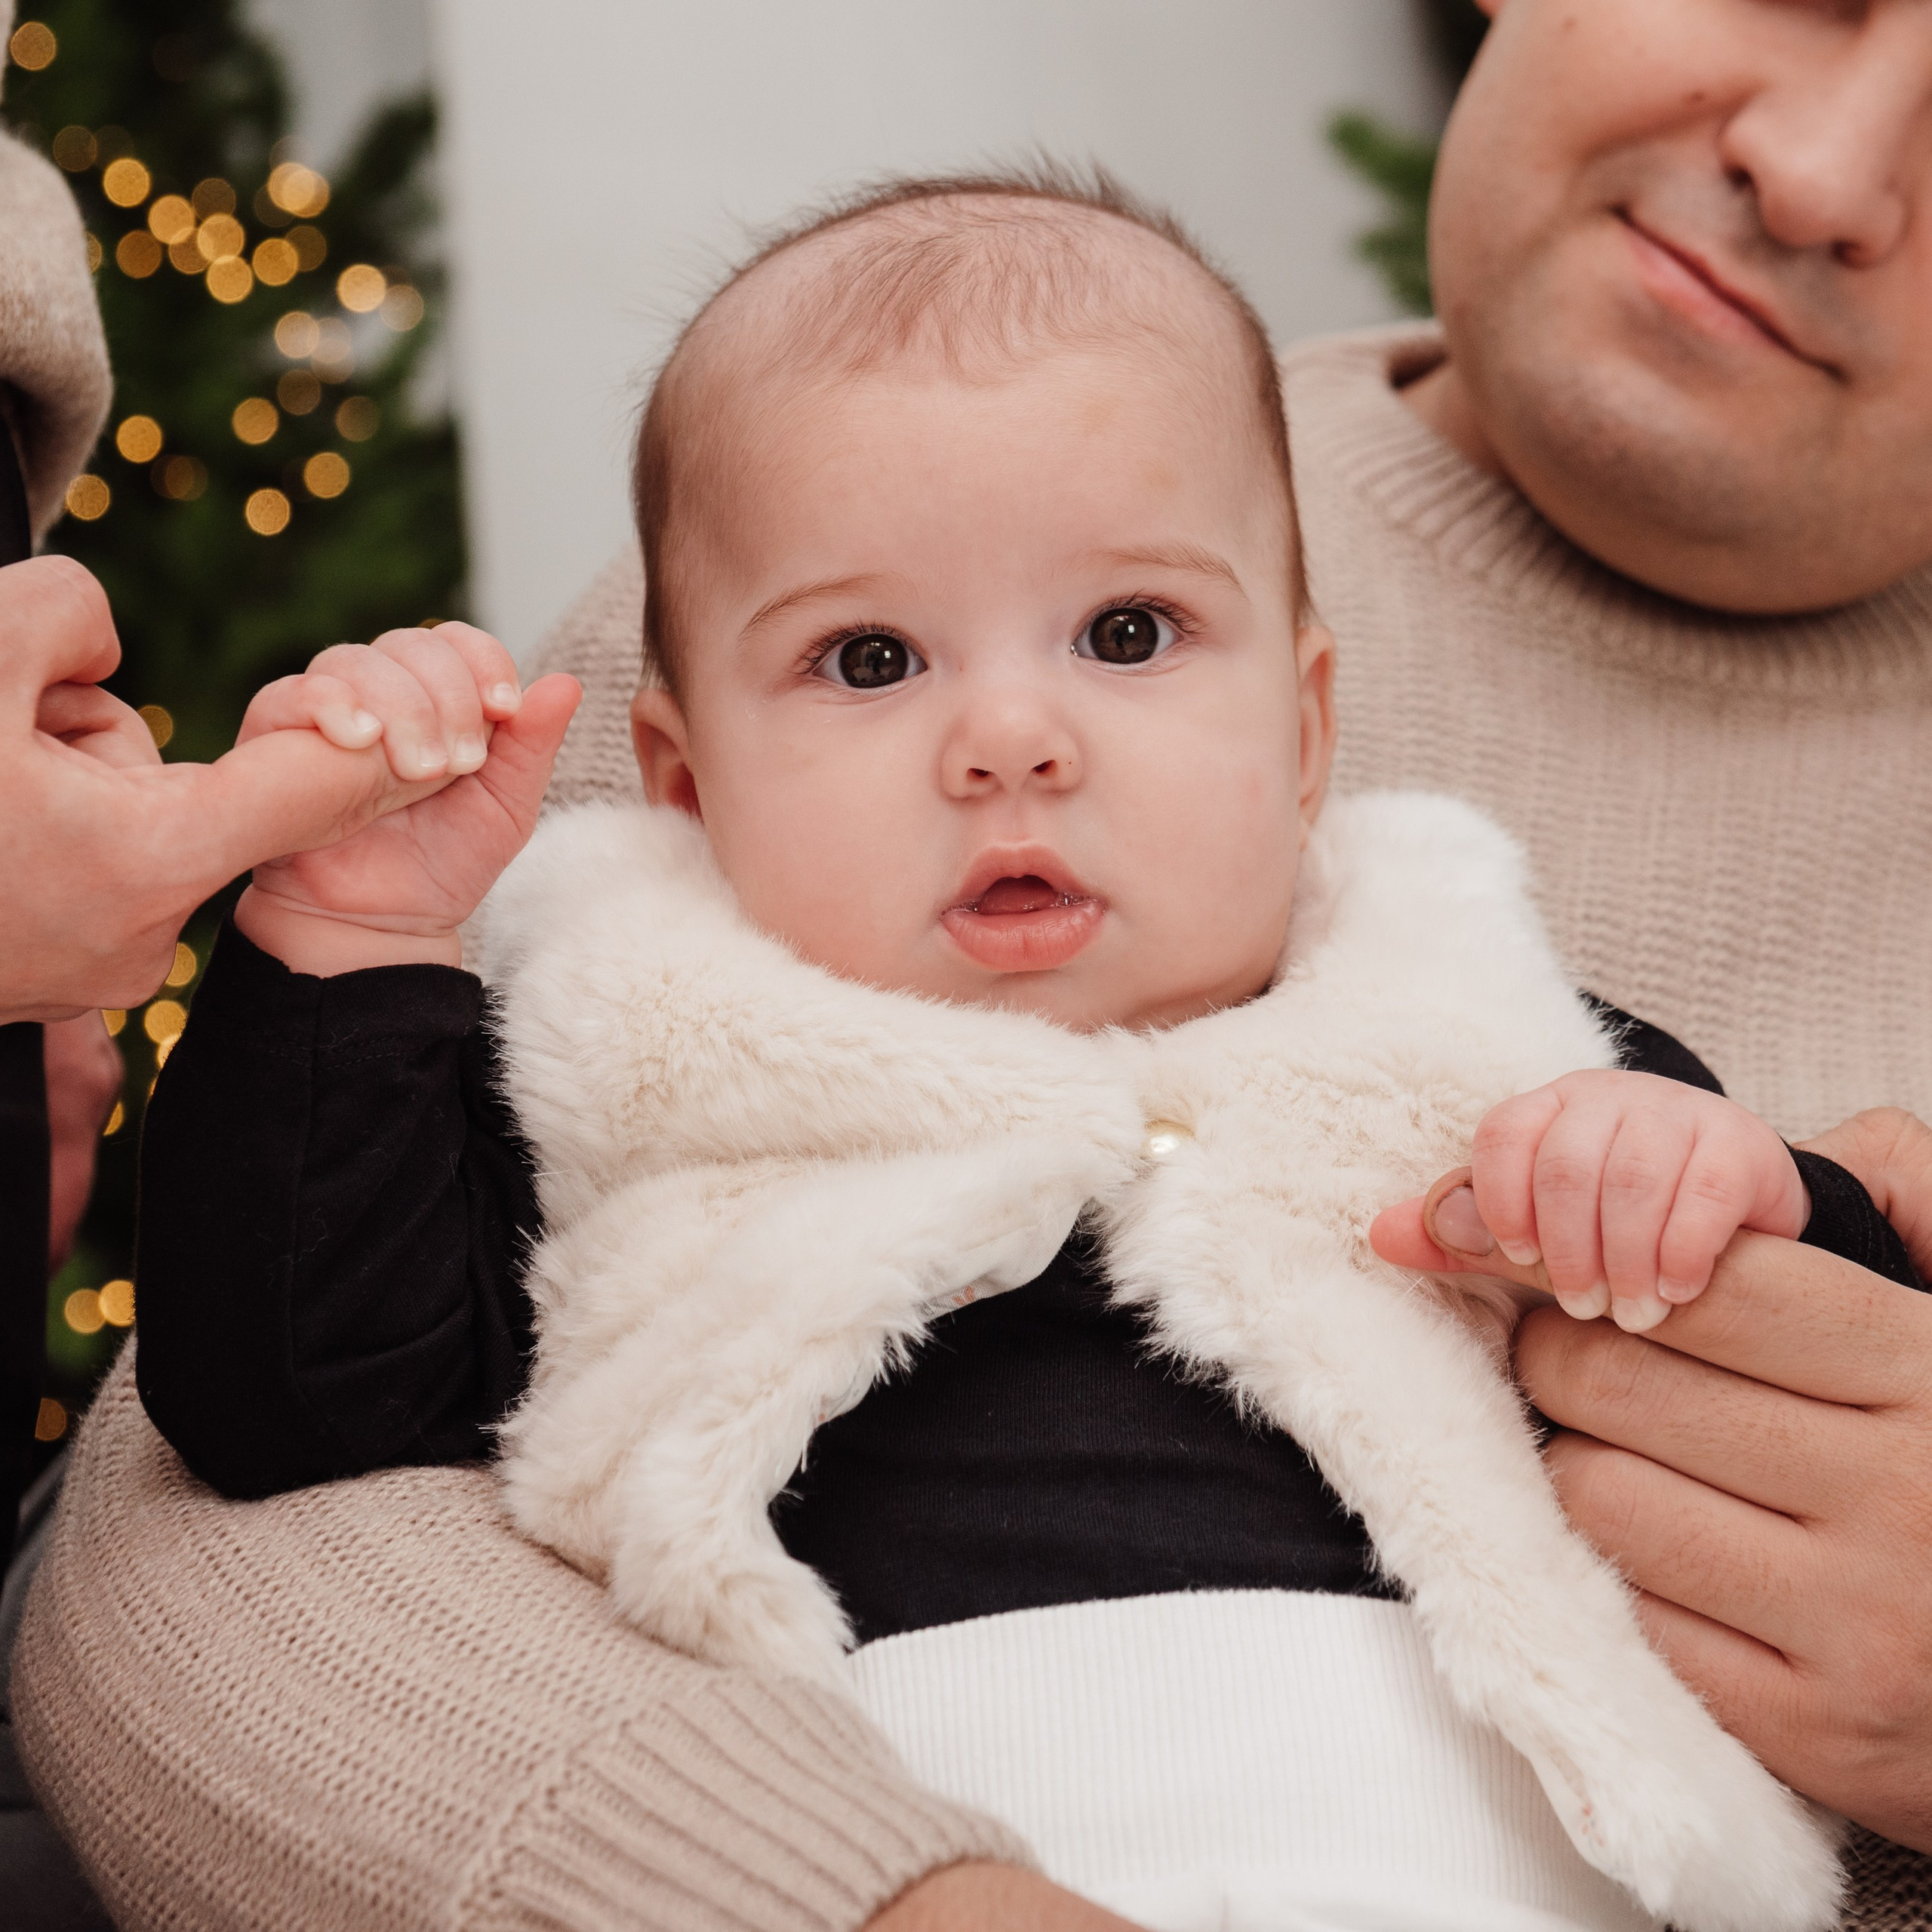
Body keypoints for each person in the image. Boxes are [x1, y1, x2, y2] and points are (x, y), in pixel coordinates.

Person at [16, 1, 1932, 1926]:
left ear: (1306, 733)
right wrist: (350, 949)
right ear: (682, 780)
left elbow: (1804, 1323)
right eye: (869, 663)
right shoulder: (631, 1026)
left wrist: (1715, 1186)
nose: (1008, 740)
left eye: (1125, 634)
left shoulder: (1476, 1016)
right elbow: (276, 1427)